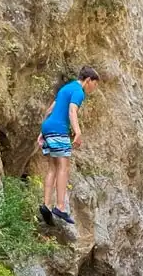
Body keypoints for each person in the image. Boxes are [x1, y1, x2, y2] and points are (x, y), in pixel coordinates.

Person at [38, 67, 101, 225]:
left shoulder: (66, 88)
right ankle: (60, 206)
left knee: (52, 168)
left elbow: (50, 109)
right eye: (95, 84)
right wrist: (77, 132)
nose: (94, 88)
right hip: (59, 129)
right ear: (88, 80)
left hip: (49, 127)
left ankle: (46, 204)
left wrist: (43, 131)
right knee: (63, 167)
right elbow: (72, 111)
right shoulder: (79, 91)